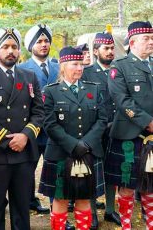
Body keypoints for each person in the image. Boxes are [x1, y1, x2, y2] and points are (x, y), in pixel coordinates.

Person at [0, 27, 45, 230]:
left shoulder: (29, 77)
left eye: (14, 46)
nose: (10, 51)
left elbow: (39, 112)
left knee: (22, 208)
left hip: (24, 154)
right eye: (5, 46)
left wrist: (25, 136)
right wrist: (8, 140)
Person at [39, 46, 107, 230]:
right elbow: (49, 124)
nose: (79, 68)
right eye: (74, 64)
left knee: (84, 198)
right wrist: (73, 145)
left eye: (82, 64)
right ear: (63, 65)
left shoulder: (94, 88)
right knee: (60, 199)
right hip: (61, 153)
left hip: (89, 151)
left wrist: (85, 144)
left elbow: (102, 119)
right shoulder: (50, 91)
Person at [106, 21, 153, 229]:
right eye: (147, 38)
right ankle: (126, 225)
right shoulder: (120, 66)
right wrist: (148, 122)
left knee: (151, 186)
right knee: (126, 185)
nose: (151, 42)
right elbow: (121, 100)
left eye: (152, 38)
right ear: (133, 42)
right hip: (129, 136)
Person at [82, 32, 121, 229]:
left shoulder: (119, 70)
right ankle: (91, 213)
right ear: (95, 51)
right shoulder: (86, 72)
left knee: (113, 172)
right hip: (95, 131)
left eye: (112, 48)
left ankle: (110, 210)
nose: (110, 51)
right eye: (106, 48)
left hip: (118, 129)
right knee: (92, 173)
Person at [19, 23, 58, 215]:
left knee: (55, 173)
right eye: (39, 41)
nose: (44, 45)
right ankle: (25, 208)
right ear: (31, 45)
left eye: (46, 41)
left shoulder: (59, 67)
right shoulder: (21, 69)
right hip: (32, 131)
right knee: (26, 173)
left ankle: (56, 213)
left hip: (55, 131)